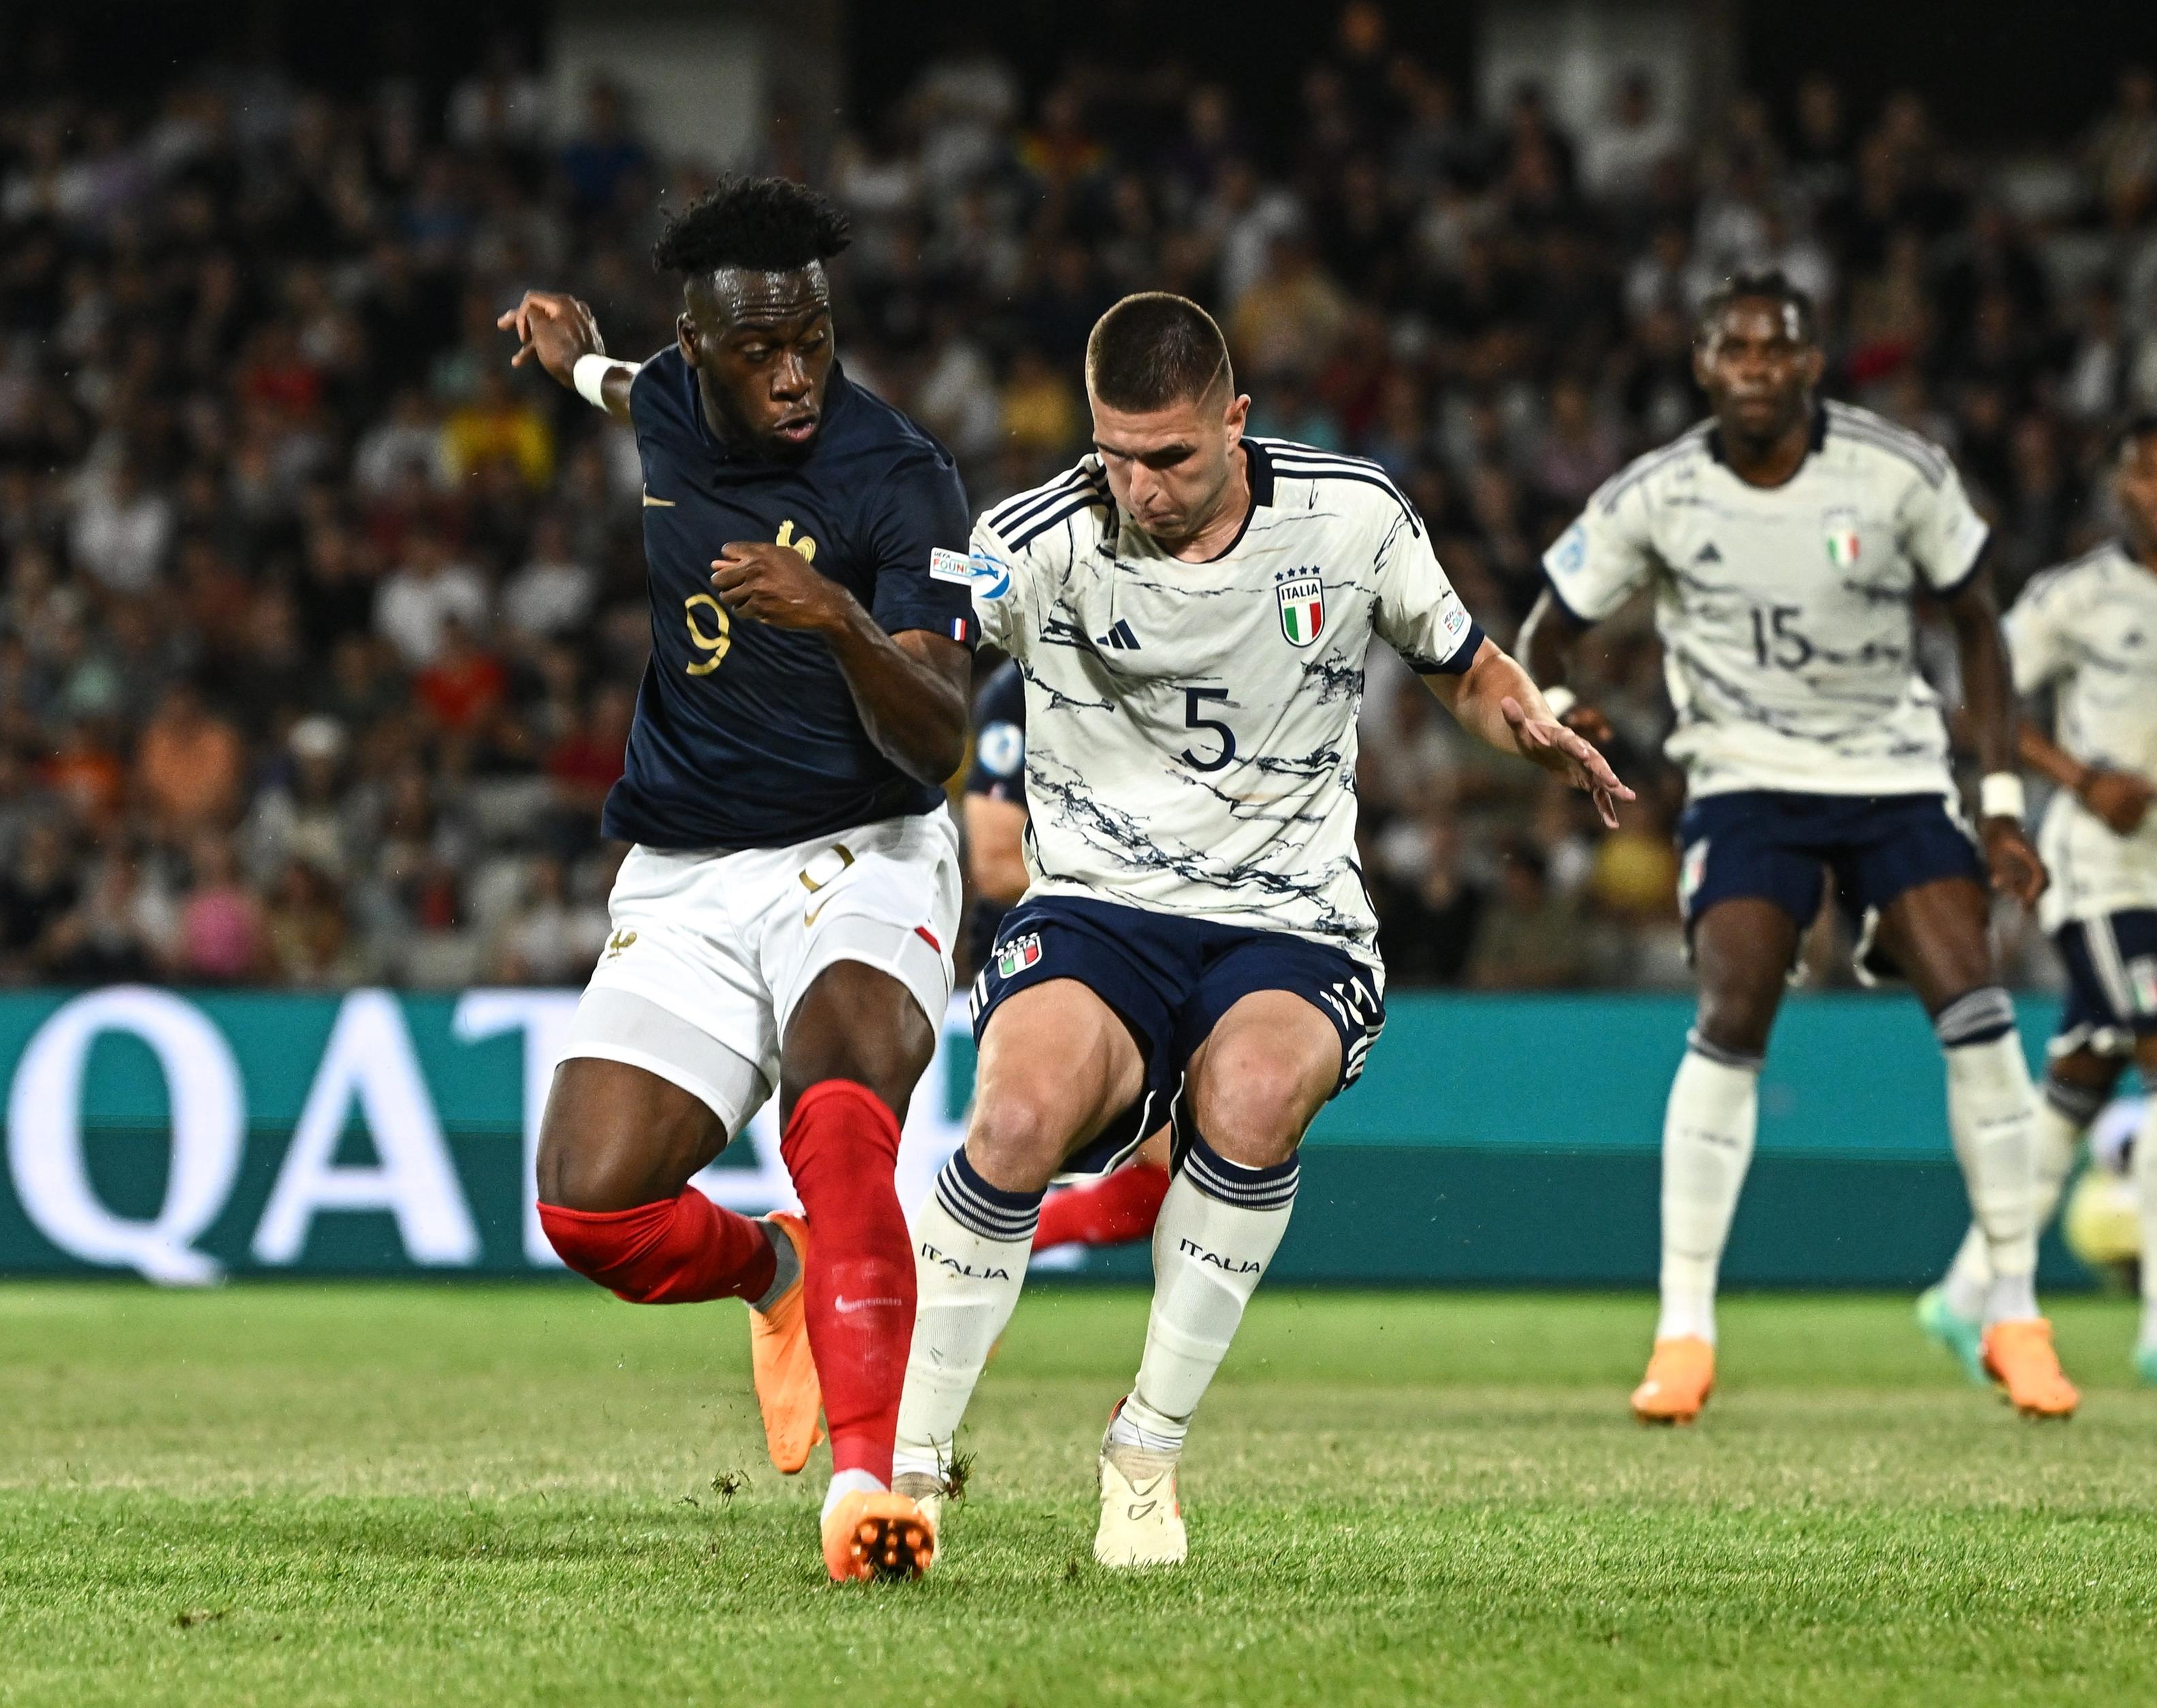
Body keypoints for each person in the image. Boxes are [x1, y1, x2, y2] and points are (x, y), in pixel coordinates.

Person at [892, 291, 1629, 1568]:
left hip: (1288, 918)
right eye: (1113, 452)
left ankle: (1145, 1452)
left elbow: (1465, 666)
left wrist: (1533, 726)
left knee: (1252, 1094)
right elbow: (919, 673)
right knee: (1011, 1121)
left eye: (1168, 456)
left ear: (1236, 422)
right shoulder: (1034, 538)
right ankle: (910, 1468)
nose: (1137, 485)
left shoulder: (1351, 518)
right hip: (1097, 906)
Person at [495, 176, 976, 1583]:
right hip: (689, 877)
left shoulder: (901, 474)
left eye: (814, 342)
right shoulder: (661, 403)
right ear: (697, 351)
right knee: (590, 1208)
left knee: (837, 1122)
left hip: (864, 857)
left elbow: (941, 732)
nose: (795, 377)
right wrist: (567, 345)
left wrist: (836, 616)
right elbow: (614, 379)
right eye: (759, 352)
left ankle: (873, 1484)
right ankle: (773, 1276)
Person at [1520, 272, 2080, 1424]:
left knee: (1975, 1004)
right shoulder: (1660, 495)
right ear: (1705, 366)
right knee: (1732, 1013)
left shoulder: (1898, 473)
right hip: (1744, 782)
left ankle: (2014, 1310)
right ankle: (1684, 1330)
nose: (1758, 369)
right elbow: (1547, 626)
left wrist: (2006, 803)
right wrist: (1565, 700)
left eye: (1779, 350)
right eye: (1736, 351)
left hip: (1893, 778)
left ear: (1815, 362)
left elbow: (1978, 624)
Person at [1916, 414, 2157, 1392]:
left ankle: (1962, 1293)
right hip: (2096, 861)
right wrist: (2078, 776)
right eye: (2144, 472)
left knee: (2079, 1086)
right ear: (2120, 492)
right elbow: (1982, 693)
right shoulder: (2078, 596)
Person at [962, 659, 1172, 1253]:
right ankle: (936, 1286)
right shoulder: (1020, 689)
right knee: (1010, 1156)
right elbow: (997, 862)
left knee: (1173, 1181)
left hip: (1152, 943)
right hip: (1043, 945)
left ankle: (956, 1271)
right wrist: (1145, 876)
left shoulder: (1181, 668)